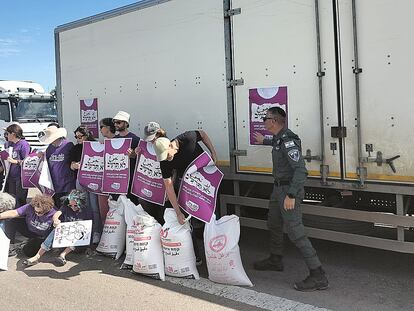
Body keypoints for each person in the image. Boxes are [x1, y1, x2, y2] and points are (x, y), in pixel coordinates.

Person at [253, 106, 328, 291]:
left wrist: (292, 194)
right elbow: (277, 144)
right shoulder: (279, 138)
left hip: (288, 190)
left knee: (296, 232)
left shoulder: (288, 140)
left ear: (274, 121)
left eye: (265, 118)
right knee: (274, 223)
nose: (263, 121)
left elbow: (301, 170)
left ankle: (318, 275)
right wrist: (264, 141)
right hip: (278, 189)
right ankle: (275, 259)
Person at [153, 130, 217, 264]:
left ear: (170, 145)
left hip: (206, 180)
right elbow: (169, 186)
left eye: (168, 155)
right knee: (184, 217)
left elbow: (203, 134)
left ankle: (215, 252)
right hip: (187, 184)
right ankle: (195, 256)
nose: (167, 159)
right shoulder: (164, 160)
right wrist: (177, 212)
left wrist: (213, 153)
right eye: (163, 157)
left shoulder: (187, 139)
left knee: (209, 216)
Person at [23, 190, 92, 266]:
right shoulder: (66, 206)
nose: (72, 208)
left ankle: (63, 255)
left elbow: (88, 229)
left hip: (78, 242)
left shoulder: (86, 211)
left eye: (75, 205)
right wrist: (56, 220)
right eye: (70, 205)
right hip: (65, 236)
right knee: (56, 229)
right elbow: (57, 214)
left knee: (77, 233)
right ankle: (37, 256)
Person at [69, 125, 101, 243]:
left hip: (94, 180)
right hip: (80, 179)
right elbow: (71, 165)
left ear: (87, 135)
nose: (78, 139)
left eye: (80, 136)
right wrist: (75, 165)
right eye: (76, 137)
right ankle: (87, 232)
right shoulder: (76, 148)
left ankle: (97, 231)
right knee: (83, 206)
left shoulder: (96, 145)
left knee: (94, 207)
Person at [135, 121, 167, 224]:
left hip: (163, 186)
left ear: (158, 134)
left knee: (162, 213)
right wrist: (137, 153)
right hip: (148, 185)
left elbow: (173, 170)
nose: (150, 140)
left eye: (152, 137)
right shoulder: (145, 145)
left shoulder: (166, 145)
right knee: (143, 202)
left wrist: (168, 191)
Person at [38, 126, 76, 207]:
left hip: (67, 183)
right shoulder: (49, 148)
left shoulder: (68, 145)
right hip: (54, 183)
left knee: (67, 205)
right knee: (57, 205)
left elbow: (73, 159)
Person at [112, 111, 140, 204]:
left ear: (126, 123)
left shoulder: (135, 139)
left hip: (130, 181)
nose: (116, 124)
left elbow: (141, 160)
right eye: (115, 122)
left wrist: (133, 155)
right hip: (116, 179)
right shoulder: (113, 140)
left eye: (119, 122)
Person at [4, 123, 30, 208]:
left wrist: (15, 161)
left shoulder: (24, 144)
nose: (6, 136)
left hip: (20, 176)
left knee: (20, 198)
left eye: (8, 133)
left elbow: (27, 161)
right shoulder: (9, 144)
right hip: (11, 175)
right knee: (11, 197)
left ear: (13, 134)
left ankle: (20, 217)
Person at [97, 118, 116, 223]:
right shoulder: (101, 143)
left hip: (117, 183)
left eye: (101, 127)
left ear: (108, 128)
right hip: (102, 182)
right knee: (103, 210)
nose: (100, 130)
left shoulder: (120, 141)